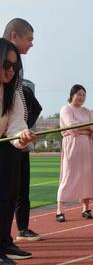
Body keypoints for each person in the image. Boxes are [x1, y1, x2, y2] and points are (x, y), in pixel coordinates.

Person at [3, 18, 42, 242]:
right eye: (29, 39)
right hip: (5, 136)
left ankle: (6, 241)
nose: (32, 44)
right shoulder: (6, 58)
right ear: (14, 36)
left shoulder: (16, 67)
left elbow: (17, 105)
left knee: (11, 193)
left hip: (13, 135)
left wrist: (21, 133)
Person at [0, 38, 37, 265]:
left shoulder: (13, 92)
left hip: (4, 146)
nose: (11, 70)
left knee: (5, 198)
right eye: (7, 64)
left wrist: (21, 135)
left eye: (15, 66)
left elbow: (15, 124)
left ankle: (3, 245)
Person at [56, 85, 93, 221]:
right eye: (79, 94)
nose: (81, 97)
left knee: (86, 177)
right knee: (68, 176)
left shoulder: (87, 111)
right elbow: (72, 126)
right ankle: (60, 210)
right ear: (72, 95)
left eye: (83, 95)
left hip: (87, 147)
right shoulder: (66, 109)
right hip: (72, 146)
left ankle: (85, 208)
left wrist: (83, 129)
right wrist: (88, 128)